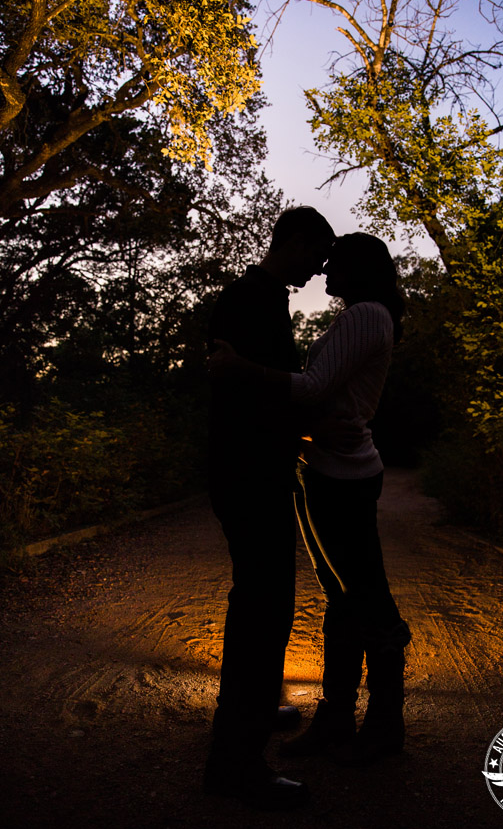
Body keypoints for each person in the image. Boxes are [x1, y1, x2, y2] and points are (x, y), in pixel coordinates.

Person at [210, 232, 411, 769]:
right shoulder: (364, 314)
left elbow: (313, 385)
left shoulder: (366, 314)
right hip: (330, 469)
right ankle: (338, 718)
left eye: (334, 264)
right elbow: (322, 397)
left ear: (358, 269)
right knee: (345, 599)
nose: (324, 274)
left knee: (366, 597)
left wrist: (240, 369)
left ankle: (385, 723)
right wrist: (309, 435)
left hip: (345, 477)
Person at [203, 206, 335, 810]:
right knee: (264, 607)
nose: (319, 270)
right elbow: (238, 386)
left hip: (250, 471)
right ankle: (236, 766)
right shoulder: (249, 298)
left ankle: (253, 713)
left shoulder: (259, 295)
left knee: (260, 602)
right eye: (317, 255)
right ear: (296, 243)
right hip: (249, 475)